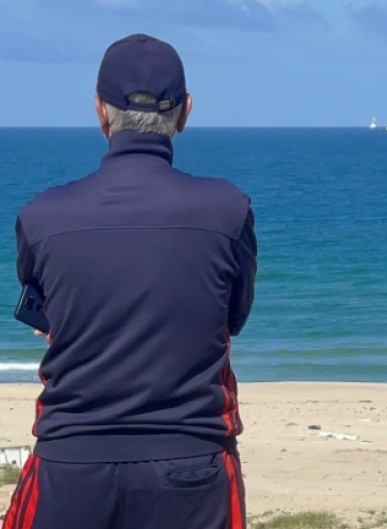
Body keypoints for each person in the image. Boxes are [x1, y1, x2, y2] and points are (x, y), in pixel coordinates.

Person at [2, 34, 257, 529]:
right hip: (192, 464)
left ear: (100, 111)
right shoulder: (229, 209)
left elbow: (47, 312)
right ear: (185, 112)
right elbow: (234, 317)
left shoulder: (40, 216)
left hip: (70, 466)